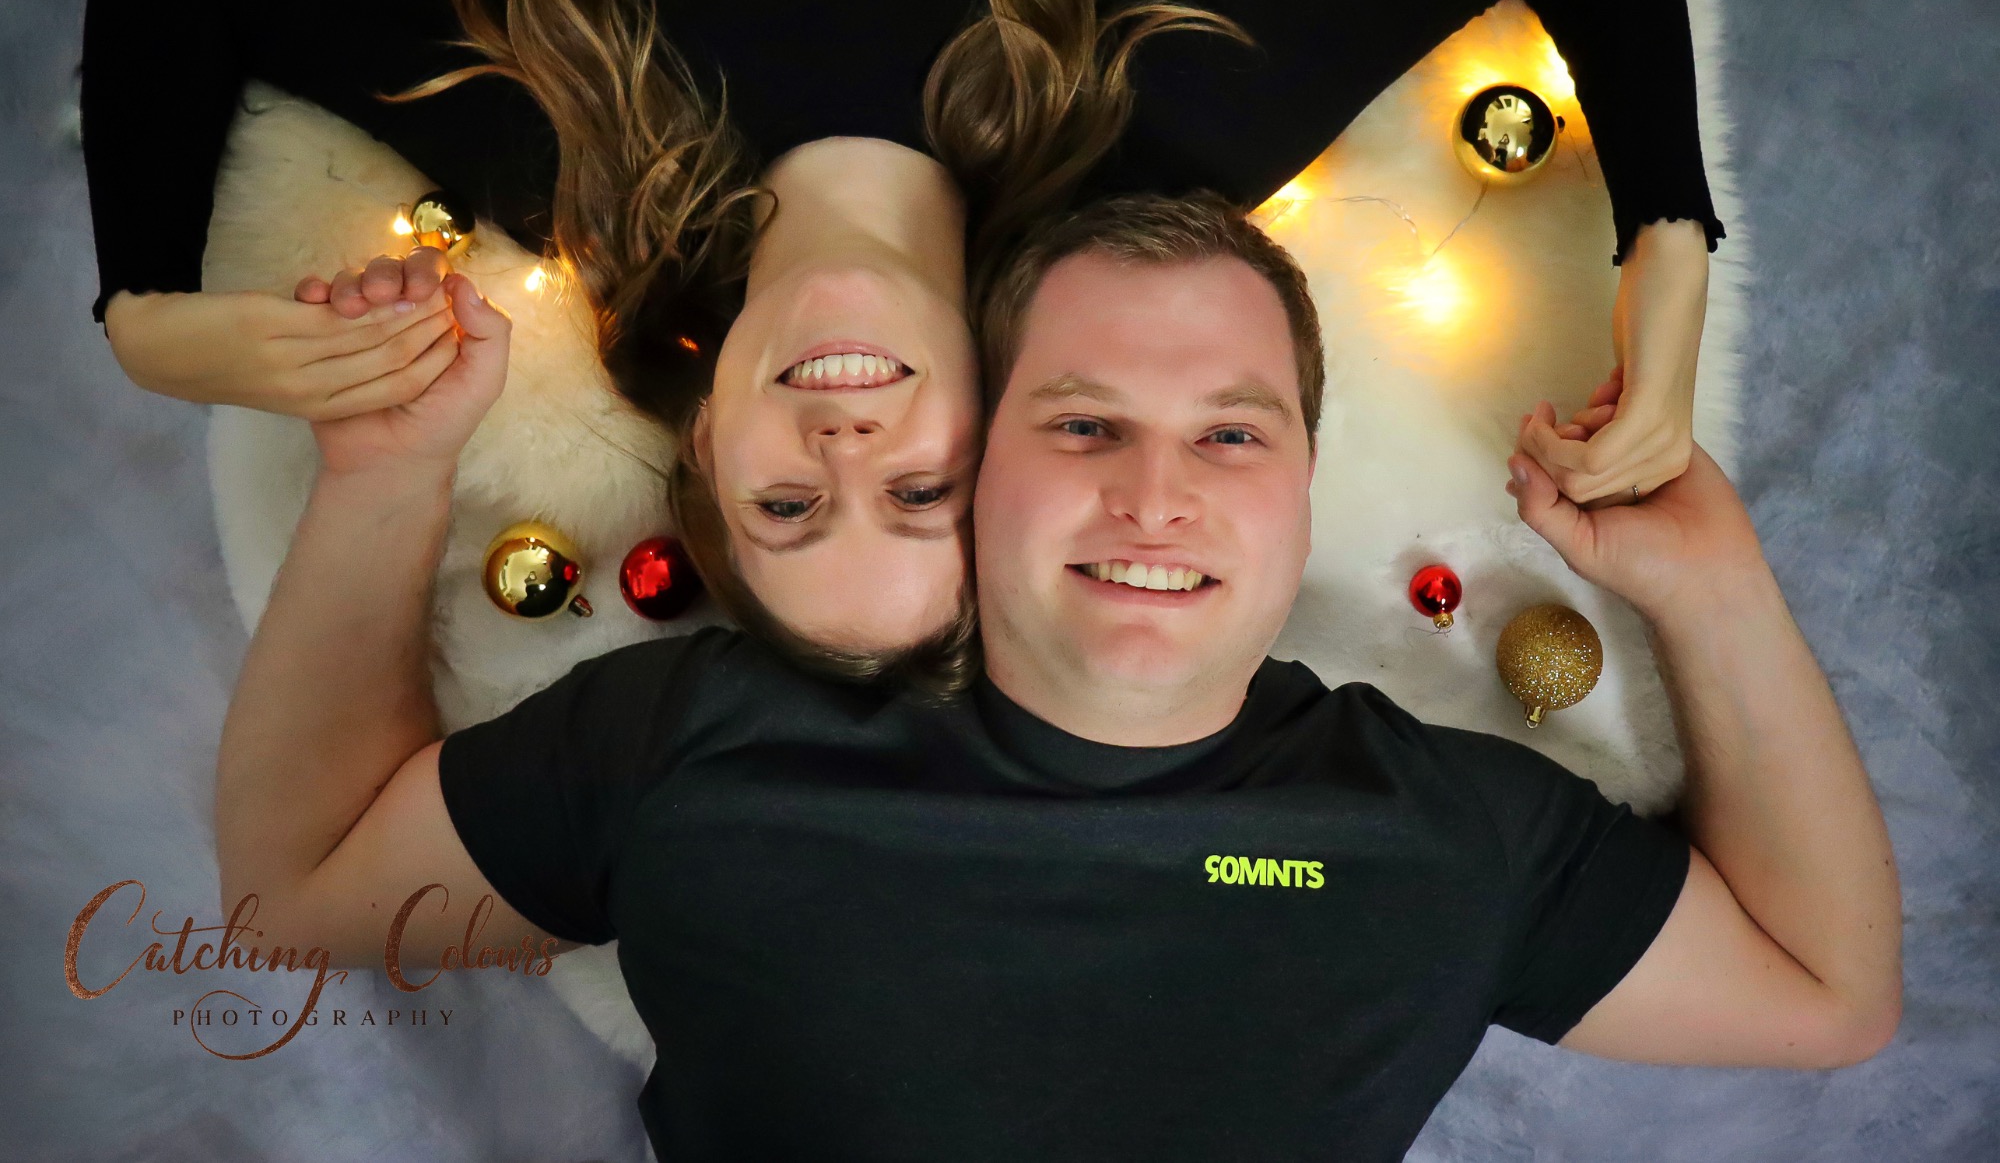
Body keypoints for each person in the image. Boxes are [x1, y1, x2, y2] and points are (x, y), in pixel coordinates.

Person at [214, 194, 1898, 1162]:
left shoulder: (1452, 834)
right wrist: (386, 473)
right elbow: (297, 891)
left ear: (1306, 486)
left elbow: (1828, 994)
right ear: (979, 466)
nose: (1156, 496)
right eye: (1085, 424)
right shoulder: (698, 738)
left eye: (1230, 436)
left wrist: (1713, 587)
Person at [85, 0, 1725, 662]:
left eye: (788, 510)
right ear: (998, 431)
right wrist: (1668, 240)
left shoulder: (566, 149)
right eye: (922, 496)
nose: (848, 454)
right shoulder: (1176, 127)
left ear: (707, 444)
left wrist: (148, 314)